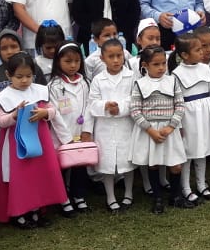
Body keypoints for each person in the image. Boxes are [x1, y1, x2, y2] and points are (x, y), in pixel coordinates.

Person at [0, 52, 66, 227]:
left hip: (40, 141)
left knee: (38, 175)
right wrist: (15, 115)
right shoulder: (3, 97)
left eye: (28, 76)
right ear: (9, 75)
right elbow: (1, 122)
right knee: (20, 178)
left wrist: (45, 113)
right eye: (19, 77)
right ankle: (19, 212)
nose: (24, 81)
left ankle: (37, 210)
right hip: (16, 145)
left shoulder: (39, 90)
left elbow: (53, 110)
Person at [129, 46, 189, 212]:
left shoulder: (172, 81)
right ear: (145, 65)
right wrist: (150, 130)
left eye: (163, 63)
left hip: (170, 130)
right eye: (156, 64)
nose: (161, 67)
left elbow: (180, 105)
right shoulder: (140, 84)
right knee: (153, 164)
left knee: (176, 165)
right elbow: (134, 110)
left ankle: (175, 196)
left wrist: (171, 126)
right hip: (150, 131)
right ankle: (157, 198)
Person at [85, 39, 136, 212]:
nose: (116, 60)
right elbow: (92, 103)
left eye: (119, 56)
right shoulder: (98, 80)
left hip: (125, 125)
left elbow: (135, 98)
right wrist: (105, 106)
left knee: (127, 161)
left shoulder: (131, 76)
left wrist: (120, 108)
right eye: (111, 56)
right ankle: (111, 196)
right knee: (107, 164)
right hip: (105, 127)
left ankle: (128, 193)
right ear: (102, 58)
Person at [173, 32, 210, 200]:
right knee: (189, 151)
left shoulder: (205, 68)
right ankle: (186, 187)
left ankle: (202, 185)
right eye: (197, 49)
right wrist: (179, 125)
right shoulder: (176, 74)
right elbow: (177, 101)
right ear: (184, 55)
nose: (202, 52)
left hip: (206, 112)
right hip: (189, 115)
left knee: (203, 149)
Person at [47, 42, 92, 213]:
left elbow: (89, 107)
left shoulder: (85, 83)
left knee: (79, 166)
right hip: (61, 135)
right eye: (68, 61)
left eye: (76, 61)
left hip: (80, 133)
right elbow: (55, 114)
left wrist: (87, 130)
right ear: (58, 61)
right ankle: (63, 198)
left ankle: (78, 195)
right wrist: (66, 138)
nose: (73, 65)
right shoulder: (53, 86)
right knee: (61, 167)